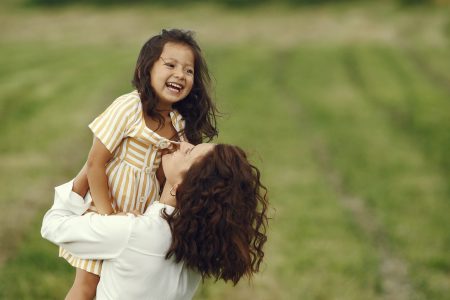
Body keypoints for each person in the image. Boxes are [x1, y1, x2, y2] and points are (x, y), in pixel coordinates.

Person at [59, 29, 218, 299]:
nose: (180, 74)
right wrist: (107, 218)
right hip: (107, 208)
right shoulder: (128, 107)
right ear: (147, 68)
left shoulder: (178, 124)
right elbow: (95, 163)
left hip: (141, 221)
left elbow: (167, 176)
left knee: (118, 288)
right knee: (88, 286)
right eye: (170, 65)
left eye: (188, 70)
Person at [42, 142, 268, 300]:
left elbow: (52, 226)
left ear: (183, 186)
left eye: (188, 153)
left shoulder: (134, 232)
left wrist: (90, 167)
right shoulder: (198, 246)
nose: (182, 145)